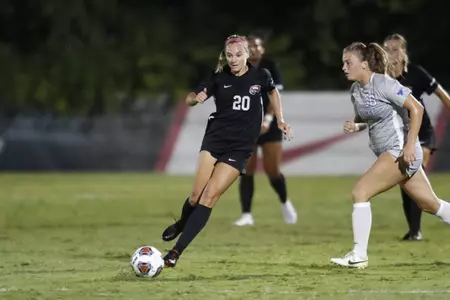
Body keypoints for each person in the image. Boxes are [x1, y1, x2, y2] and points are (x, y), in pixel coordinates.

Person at [160, 34, 293, 268]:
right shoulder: (218, 77)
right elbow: (191, 98)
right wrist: (195, 99)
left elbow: (273, 92)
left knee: (209, 197)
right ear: (225, 56)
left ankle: (175, 252)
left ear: (247, 55)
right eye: (229, 55)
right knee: (195, 197)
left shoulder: (261, 76)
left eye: (238, 55)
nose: (234, 59)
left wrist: (280, 120)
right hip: (214, 141)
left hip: (240, 147)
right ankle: (182, 223)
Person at [330, 42, 450, 269]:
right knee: (431, 205)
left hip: (399, 151)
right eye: (343, 63)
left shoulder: (384, 83)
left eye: (349, 62)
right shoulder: (356, 90)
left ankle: (359, 255)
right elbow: (369, 118)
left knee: (360, 192)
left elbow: (417, 108)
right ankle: (358, 254)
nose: (344, 67)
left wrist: (410, 145)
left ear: (364, 64)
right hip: (393, 152)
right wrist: (356, 126)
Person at [383, 33, 450, 241]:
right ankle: (415, 230)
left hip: (423, 133)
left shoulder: (416, 73)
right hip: (400, 137)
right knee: (406, 182)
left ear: (403, 52)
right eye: (386, 49)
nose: (390, 54)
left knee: (413, 173)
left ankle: (417, 231)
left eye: (394, 49)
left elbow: (441, 94)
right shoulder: (381, 78)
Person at [233, 35, 297, 226]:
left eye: (256, 46)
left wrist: (268, 120)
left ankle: (285, 202)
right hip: (247, 124)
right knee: (246, 170)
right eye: (249, 46)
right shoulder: (238, 67)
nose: (252, 49)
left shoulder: (270, 67)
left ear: (262, 49)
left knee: (273, 171)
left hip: (269, 126)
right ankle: (246, 214)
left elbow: (275, 95)